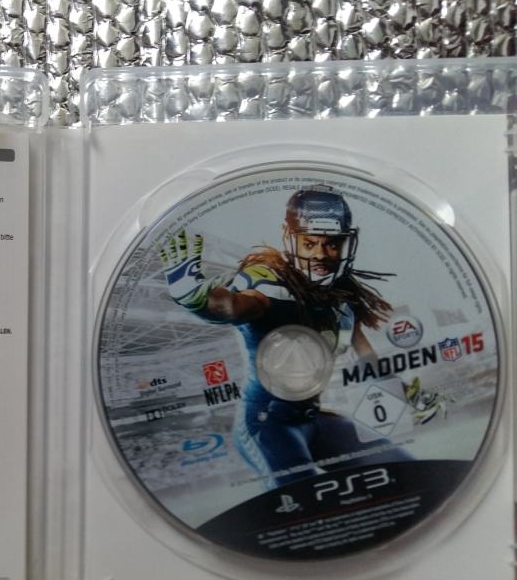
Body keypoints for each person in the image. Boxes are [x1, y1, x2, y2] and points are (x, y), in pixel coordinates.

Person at [160, 184, 416, 487]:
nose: (320, 254)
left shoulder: (341, 299)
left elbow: (367, 360)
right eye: (309, 243)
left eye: (332, 245)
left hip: (311, 417)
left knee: (406, 472)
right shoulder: (270, 283)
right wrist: (196, 299)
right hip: (266, 424)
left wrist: (408, 393)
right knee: (302, 501)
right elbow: (234, 306)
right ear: (289, 237)